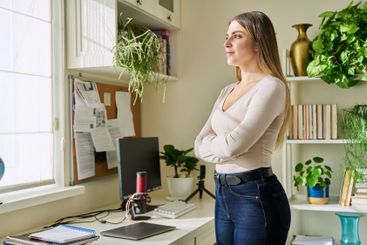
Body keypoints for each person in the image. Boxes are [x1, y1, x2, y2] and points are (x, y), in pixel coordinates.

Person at [194, 11, 291, 245]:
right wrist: (224, 145)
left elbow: (234, 145)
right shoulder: (227, 90)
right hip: (223, 195)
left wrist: (221, 144)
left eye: (236, 36)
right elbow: (198, 145)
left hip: (255, 196)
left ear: (259, 42)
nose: (226, 43)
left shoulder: (271, 87)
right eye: (227, 36)